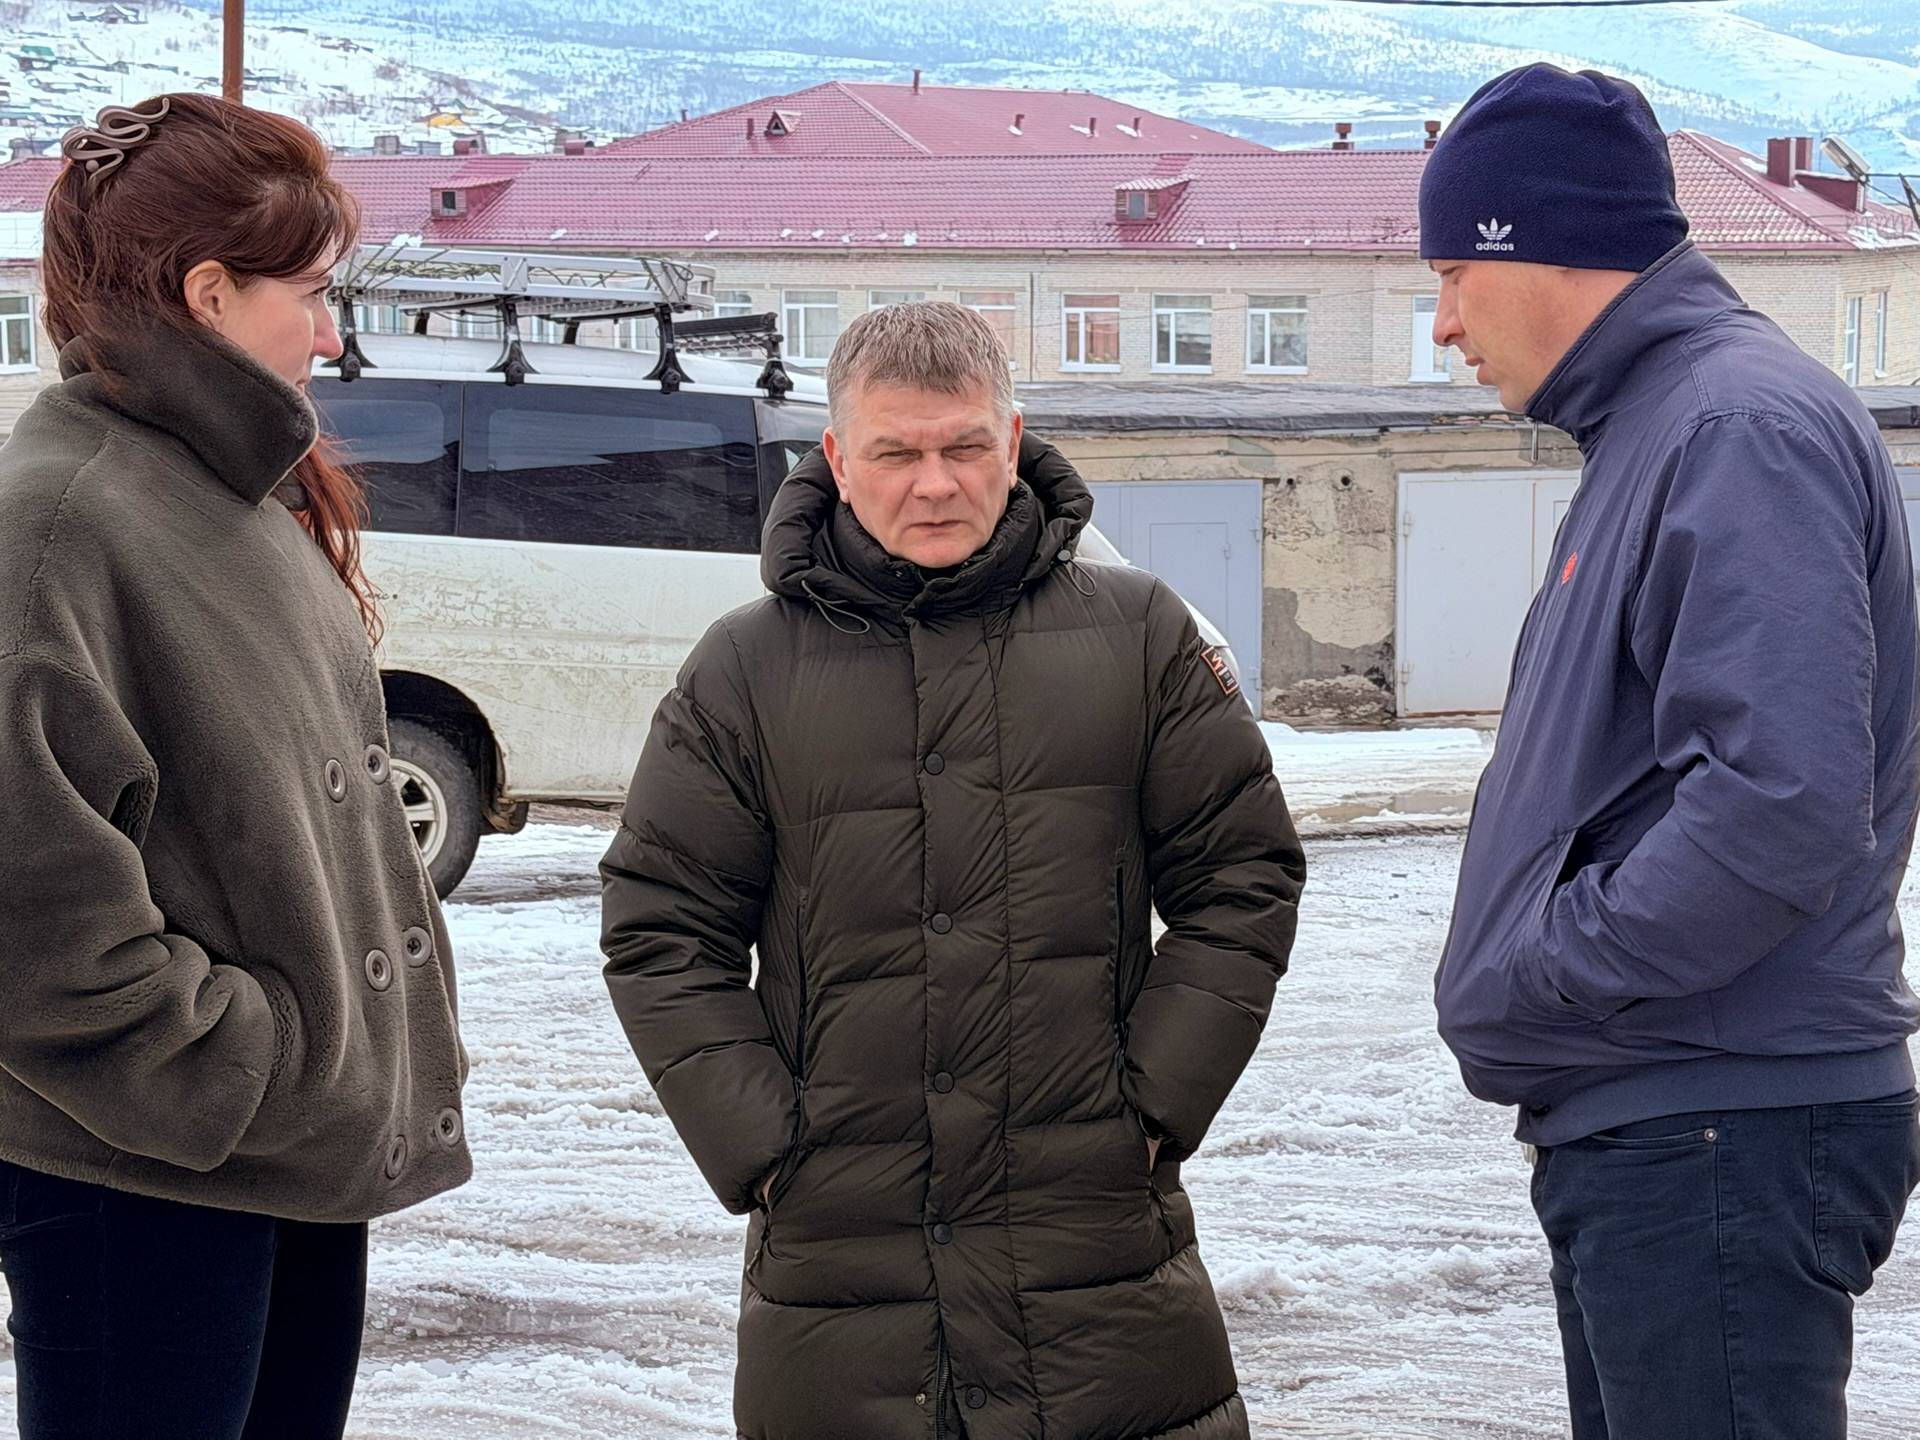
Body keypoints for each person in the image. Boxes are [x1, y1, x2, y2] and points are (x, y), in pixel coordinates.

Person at [600, 300, 1304, 1439]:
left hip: (1096, 1243)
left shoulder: (1138, 636)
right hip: (842, 1256)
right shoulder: (747, 668)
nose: (936, 483)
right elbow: (660, 927)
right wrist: (767, 1147)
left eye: (965, 447)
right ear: (837, 458)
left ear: (1012, 438)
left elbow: (1242, 877)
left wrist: (1153, 1106)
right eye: (897, 452)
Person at [1427, 64, 1920, 1439]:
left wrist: (1546, 970)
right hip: (1676, 1117)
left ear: (1548, 247)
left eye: (1459, 269)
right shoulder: (1660, 426)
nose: (1444, 320)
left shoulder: (1732, 430)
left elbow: (1777, 804)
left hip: (1719, 1120)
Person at [0, 95, 471, 1440]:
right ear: (209, 292)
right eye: (313, 292)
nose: (332, 332)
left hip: (278, 1161)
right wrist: (248, 1064)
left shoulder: (220, 489)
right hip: (143, 1180)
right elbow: (31, 918)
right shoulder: (58, 523)